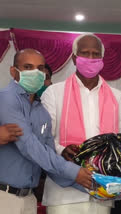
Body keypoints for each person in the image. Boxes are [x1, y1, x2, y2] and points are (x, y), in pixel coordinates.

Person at [41, 33, 121, 214]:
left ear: (102, 59)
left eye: (95, 54)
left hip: (102, 190)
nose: (90, 58)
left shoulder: (118, 98)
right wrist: (62, 150)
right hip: (63, 193)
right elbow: (44, 139)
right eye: (85, 53)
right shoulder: (53, 93)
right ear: (74, 58)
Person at [0, 49, 92, 214]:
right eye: (28, 67)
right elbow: (29, 146)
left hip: (28, 198)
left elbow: (49, 157)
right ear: (14, 72)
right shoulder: (6, 99)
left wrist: (92, 185)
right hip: (4, 197)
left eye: (40, 68)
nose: (35, 73)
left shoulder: (41, 111)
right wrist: (74, 172)